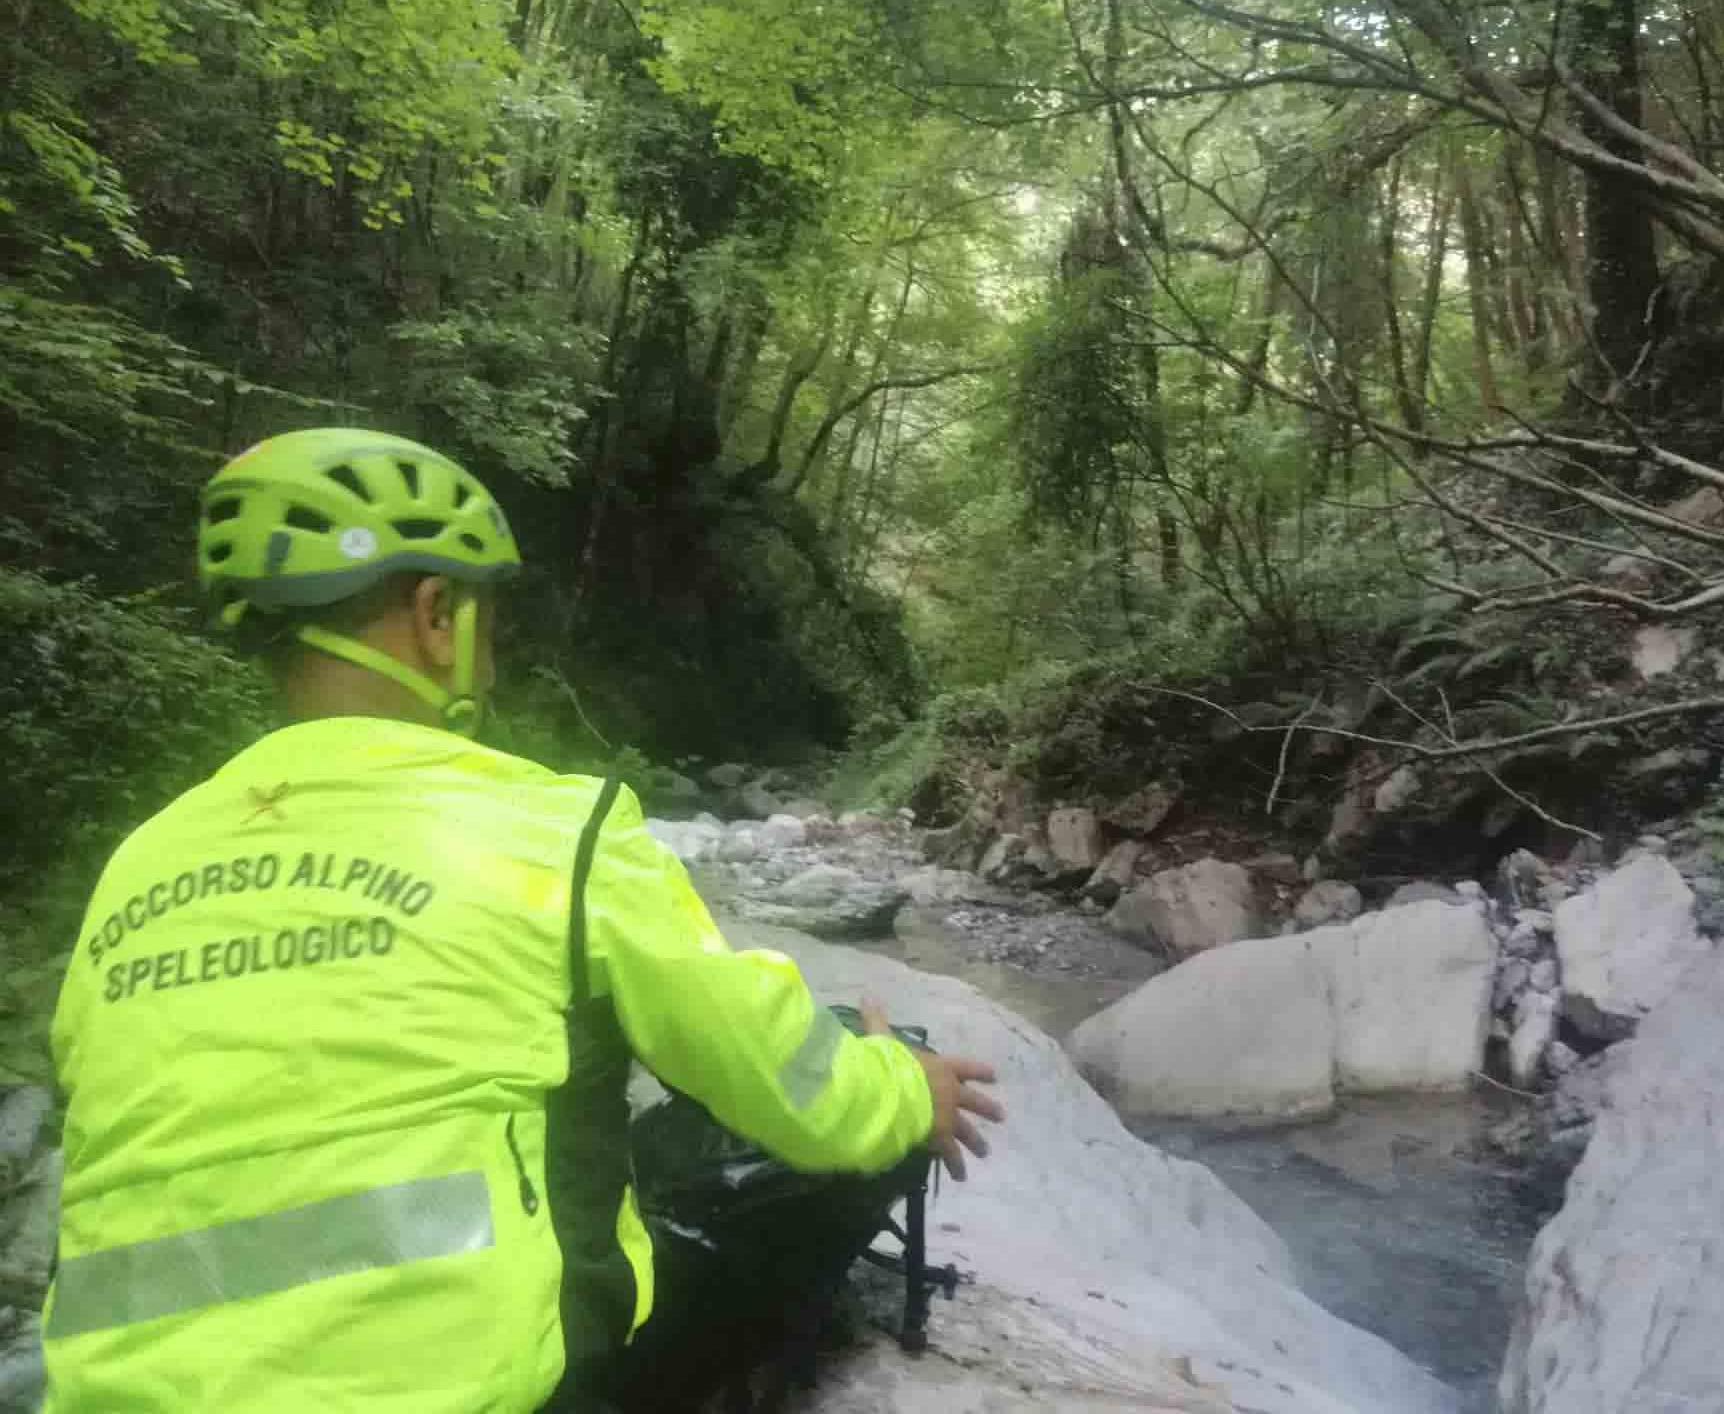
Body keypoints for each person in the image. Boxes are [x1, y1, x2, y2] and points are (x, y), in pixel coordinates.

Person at [39, 427, 1002, 1412]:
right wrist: (903, 1084)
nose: (489, 664)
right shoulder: (555, 830)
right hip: (469, 1395)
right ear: (435, 615)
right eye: (485, 625)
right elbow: (785, 1080)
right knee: (800, 1121)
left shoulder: (140, 858)